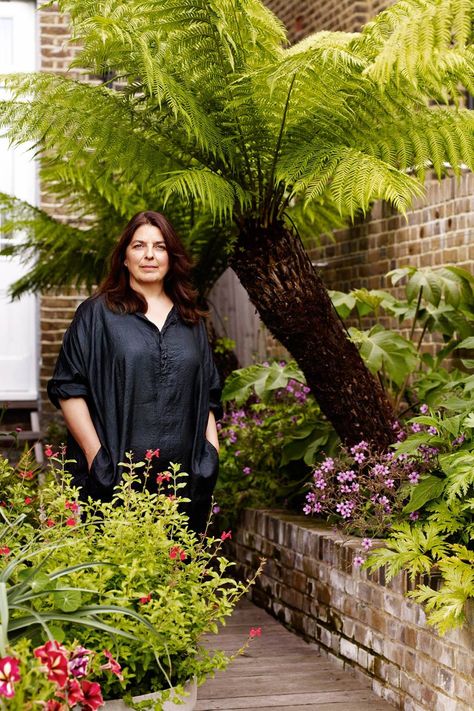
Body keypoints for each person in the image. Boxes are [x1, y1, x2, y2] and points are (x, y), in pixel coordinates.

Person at [48, 210, 222, 533]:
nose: (149, 255)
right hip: (114, 485)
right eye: (139, 245)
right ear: (124, 258)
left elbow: (208, 394)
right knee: (117, 578)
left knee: (179, 578)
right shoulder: (96, 315)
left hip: (183, 490)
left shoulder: (191, 321)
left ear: (171, 257)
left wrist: (210, 457)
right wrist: (97, 459)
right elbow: (69, 388)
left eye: (159, 246)